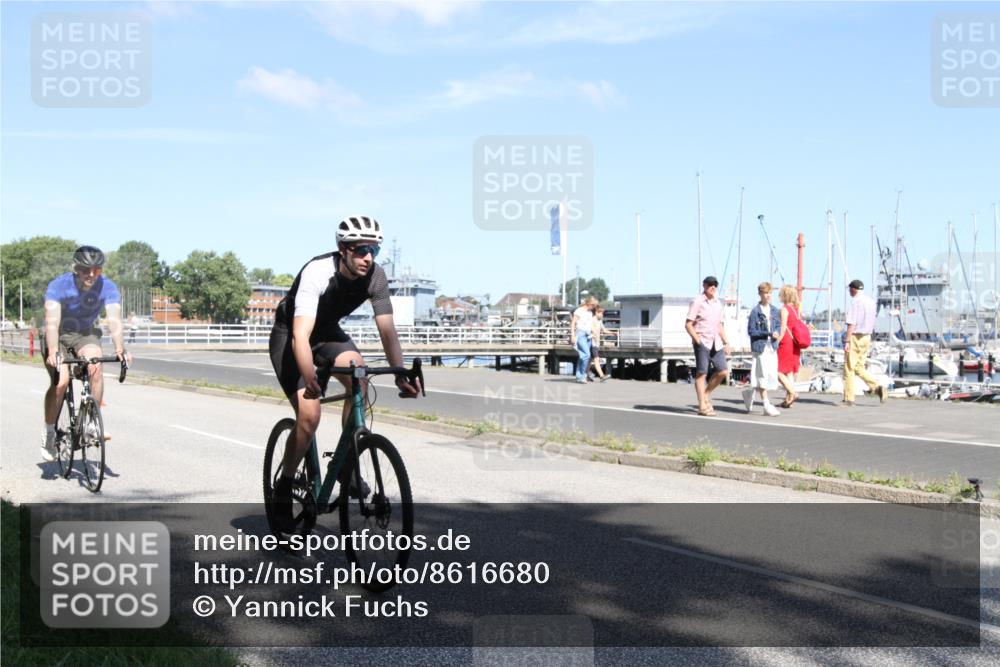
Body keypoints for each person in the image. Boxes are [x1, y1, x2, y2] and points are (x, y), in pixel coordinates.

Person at [268, 215, 420, 532]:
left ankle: (348, 468)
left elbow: (388, 331)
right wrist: (309, 373)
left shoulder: (376, 277)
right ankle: (283, 488)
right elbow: (300, 335)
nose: (368, 257)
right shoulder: (317, 272)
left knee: (359, 378)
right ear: (343, 249)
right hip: (292, 336)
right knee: (309, 416)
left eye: (374, 251)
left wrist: (400, 373)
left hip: (327, 333)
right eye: (361, 249)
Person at [41, 246, 126, 461]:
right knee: (60, 382)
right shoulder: (58, 286)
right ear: (76, 269)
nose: (91, 275)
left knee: (96, 366)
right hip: (59, 334)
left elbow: (114, 320)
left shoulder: (107, 287)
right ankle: (50, 432)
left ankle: (90, 423)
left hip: (84, 334)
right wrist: (52, 350)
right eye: (85, 270)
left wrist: (120, 349)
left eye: (96, 271)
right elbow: (52, 323)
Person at [685, 276, 731, 416]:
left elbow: (720, 325)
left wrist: (726, 342)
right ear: (704, 285)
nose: (713, 287)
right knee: (701, 373)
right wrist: (697, 340)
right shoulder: (697, 301)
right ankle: (702, 406)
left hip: (716, 342)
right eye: (710, 284)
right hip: (703, 341)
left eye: (715, 285)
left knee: (723, 371)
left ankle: (705, 395)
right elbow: (688, 324)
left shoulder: (717, 303)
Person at [842, 279, 887, 406]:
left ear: (853, 289)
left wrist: (847, 340)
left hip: (856, 336)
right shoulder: (870, 301)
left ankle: (849, 398)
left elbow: (852, 323)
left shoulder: (855, 302)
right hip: (867, 336)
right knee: (859, 367)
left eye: (850, 289)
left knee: (849, 368)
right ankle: (877, 387)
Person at [743, 282, 782, 416]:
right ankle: (766, 404)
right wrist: (768, 333)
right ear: (760, 294)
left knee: (769, 375)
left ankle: (749, 394)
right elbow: (751, 331)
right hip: (760, 347)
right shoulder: (755, 311)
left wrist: (776, 333)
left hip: (772, 347)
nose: (768, 295)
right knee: (762, 375)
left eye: (770, 293)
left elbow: (777, 326)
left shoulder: (775, 310)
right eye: (765, 293)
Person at [776, 284, 802, 407]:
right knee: (789, 372)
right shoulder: (796, 310)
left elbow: (783, 328)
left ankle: (792, 392)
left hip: (786, 341)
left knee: (777, 371)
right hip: (795, 343)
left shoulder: (784, 309)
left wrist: (777, 341)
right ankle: (789, 400)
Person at [570, 296, 597, 384]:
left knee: (582, 356)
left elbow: (590, 324)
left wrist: (594, 332)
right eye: (593, 305)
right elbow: (573, 323)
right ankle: (583, 376)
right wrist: (573, 335)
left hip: (588, 334)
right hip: (580, 334)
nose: (593, 307)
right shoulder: (579, 310)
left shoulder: (590, 312)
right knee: (587, 355)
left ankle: (579, 376)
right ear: (588, 303)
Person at [589, 306, 614, 382]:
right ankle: (602, 376)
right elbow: (589, 329)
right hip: (591, 343)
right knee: (596, 359)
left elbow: (604, 330)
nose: (602, 315)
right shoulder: (591, 320)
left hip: (596, 343)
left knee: (589, 360)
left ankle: (586, 374)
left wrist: (613, 333)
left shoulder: (599, 321)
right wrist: (593, 333)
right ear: (596, 312)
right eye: (601, 313)